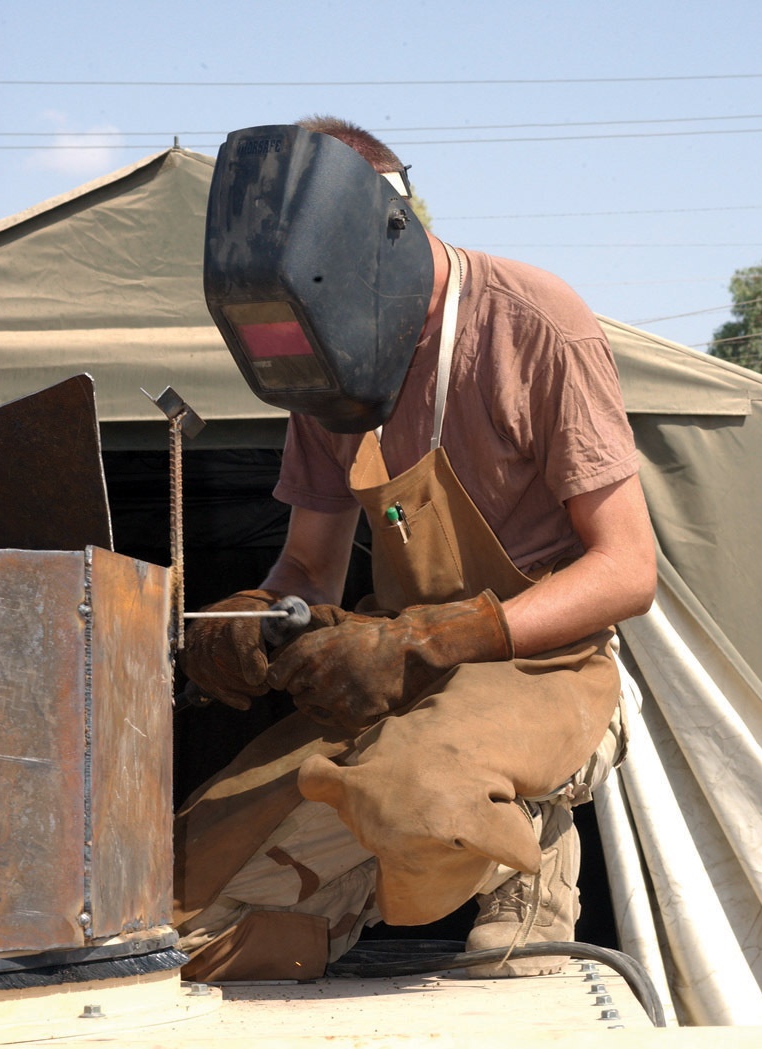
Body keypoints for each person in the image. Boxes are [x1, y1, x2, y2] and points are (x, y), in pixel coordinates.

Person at [173, 116, 656, 983]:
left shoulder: (535, 323)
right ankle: (335, 905)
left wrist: (435, 638)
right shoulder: (328, 358)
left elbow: (627, 570)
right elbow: (309, 568)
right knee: (179, 894)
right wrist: (257, 616)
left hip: (550, 665)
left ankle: (532, 830)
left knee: (423, 804)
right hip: (399, 672)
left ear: (388, 237)